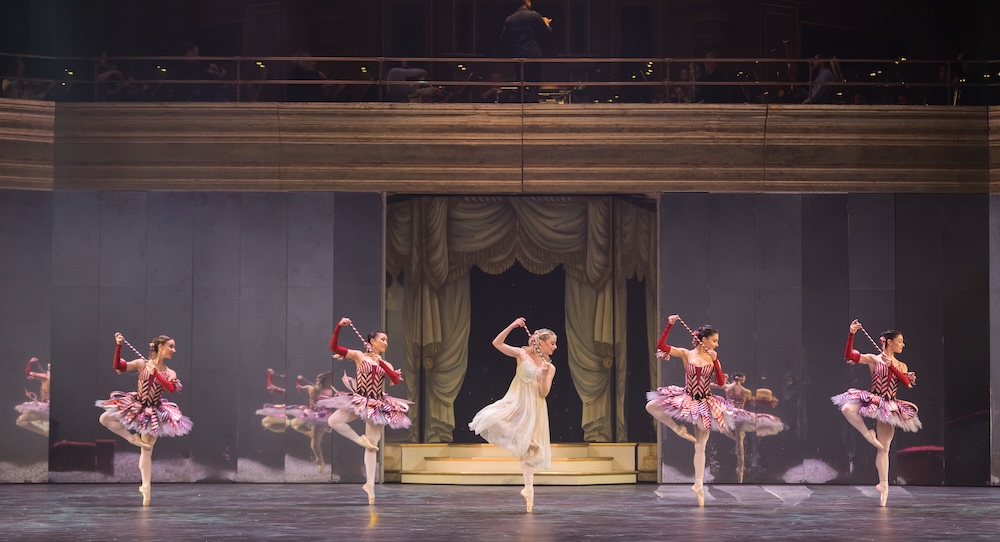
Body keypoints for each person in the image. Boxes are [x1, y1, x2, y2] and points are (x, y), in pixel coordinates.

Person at [469, 317, 556, 513]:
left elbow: (543, 393)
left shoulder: (550, 367)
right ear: (541, 342)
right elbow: (497, 343)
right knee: (489, 417)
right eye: (552, 343)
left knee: (529, 453)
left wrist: (542, 375)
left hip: (535, 406)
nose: (554, 347)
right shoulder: (522, 354)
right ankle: (524, 440)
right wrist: (512, 326)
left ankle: (528, 490)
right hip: (516, 400)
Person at [319, 317, 410, 505]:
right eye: (382, 339)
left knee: (373, 445)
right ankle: (358, 440)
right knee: (333, 421)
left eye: (386, 340)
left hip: (377, 404)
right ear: (372, 342)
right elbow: (334, 348)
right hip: (360, 400)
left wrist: (381, 362)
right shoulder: (359, 356)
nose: (386, 342)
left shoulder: (386, 364)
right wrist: (338, 327)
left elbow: (393, 379)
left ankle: (370, 485)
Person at [96, 333, 192, 506]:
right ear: (160, 347)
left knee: (147, 450)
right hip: (136, 404)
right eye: (171, 346)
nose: (173, 350)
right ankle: (131, 438)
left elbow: (170, 388)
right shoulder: (142, 364)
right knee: (104, 418)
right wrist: (119, 346)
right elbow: (118, 366)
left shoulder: (170, 372)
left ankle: (146, 488)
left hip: (154, 411)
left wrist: (157, 373)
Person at [645, 315, 733, 506]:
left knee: (701, 444)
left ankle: (699, 484)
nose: (717, 344)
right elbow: (662, 346)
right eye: (714, 340)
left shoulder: (712, 358)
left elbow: (720, 382)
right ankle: (677, 429)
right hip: (687, 397)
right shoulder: (687, 354)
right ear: (703, 340)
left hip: (704, 403)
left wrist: (716, 363)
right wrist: (669, 325)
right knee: (651, 405)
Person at [832, 319, 920, 507]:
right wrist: (851, 334)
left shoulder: (901, 365)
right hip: (874, 398)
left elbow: (906, 383)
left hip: (890, 405)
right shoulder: (874, 359)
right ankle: (867, 434)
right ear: (889, 342)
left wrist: (892, 366)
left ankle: (883, 484)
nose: (902, 344)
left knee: (884, 448)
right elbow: (849, 356)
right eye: (900, 341)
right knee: (847, 408)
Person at [713, 372, 786, 482]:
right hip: (741, 416)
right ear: (742, 379)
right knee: (740, 446)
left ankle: (731, 437)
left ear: (733, 378)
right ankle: (740, 475)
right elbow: (753, 401)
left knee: (721, 426)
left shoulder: (727, 387)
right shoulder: (746, 392)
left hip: (728, 414)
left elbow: (710, 385)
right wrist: (769, 401)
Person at [500, 1, 552, 102]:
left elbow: (503, 39)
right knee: (533, 86)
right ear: (527, 1)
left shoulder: (510, 19)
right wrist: (546, 23)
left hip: (518, 57)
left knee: (521, 86)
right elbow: (548, 33)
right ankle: (532, 111)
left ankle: (520, 109)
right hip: (534, 56)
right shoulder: (534, 16)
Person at [292, 372, 335, 471]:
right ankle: (320, 461)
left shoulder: (312, 388)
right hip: (317, 417)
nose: (331, 382)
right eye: (330, 380)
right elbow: (299, 388)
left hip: (322, 417)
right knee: (315, 440)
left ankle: (319, 460)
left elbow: (298, 388)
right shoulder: (324, 391)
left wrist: (298, 380)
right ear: (325, 381)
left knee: (315, 439)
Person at [15, 357, 50, 437]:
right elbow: (28, 373)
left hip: (45, 408)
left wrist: (30, 362)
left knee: (20, 421)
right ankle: (46, 432)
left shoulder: (46, 377)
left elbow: (28, 373)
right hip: (44, 407)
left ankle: (46, 433)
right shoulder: (45, 377)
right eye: (49, 368)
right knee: (20, 421)